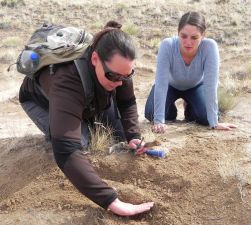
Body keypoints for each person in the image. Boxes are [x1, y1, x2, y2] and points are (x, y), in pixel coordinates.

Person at [19, 21, 153, 216]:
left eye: (126, 76)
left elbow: (127, 102)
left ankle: (84, 117)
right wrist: (112, 201)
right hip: (42, 102)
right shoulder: (67, 79)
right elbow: (66, 151)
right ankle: (60, 127)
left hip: (89, 100)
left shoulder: (119, 69)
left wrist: (133, 134)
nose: (120, 82)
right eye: (114, 76)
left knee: (120, 135)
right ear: (95, 59)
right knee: (81, 142)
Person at [145, 11, 237, 133]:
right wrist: (159, 121)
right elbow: (161, 83)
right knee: (151, 113)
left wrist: (214, 123)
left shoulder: (210, 47)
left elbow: (210, 85)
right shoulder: (167, 45)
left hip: (196, 86)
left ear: (203, 35)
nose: (188, 42)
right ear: (178, 32)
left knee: (205, 118)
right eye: (183, 36)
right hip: (170, 85)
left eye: (194, 37)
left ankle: (189, 106)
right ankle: (170, 109)